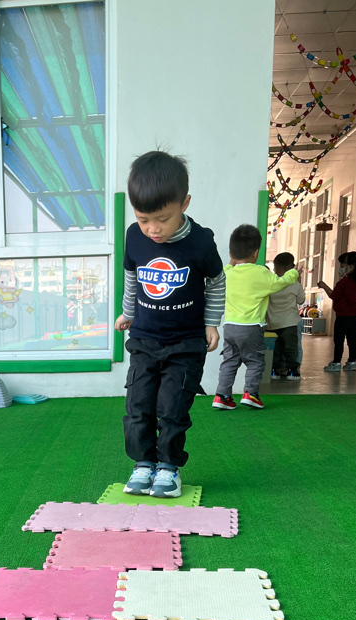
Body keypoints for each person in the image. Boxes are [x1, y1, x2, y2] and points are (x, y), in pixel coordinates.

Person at [115, 150, 226, 497]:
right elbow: (132, 277)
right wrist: (128, 312)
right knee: (138, 407)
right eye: (143, 219)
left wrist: (212, 323)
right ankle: (143, 464)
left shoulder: (200, 242)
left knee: (172, 409)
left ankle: (168, 468)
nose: (153, 229)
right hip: (144, 339)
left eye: (162, 219)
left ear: (184, 204)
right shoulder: (135, 236)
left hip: (186, 342)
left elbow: (217, 281)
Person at [212, 225, 299, 411]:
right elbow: (282, 282)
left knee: (229, 361)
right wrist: (293, 272)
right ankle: (251, 394)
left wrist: (230, 263)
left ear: (231, 253)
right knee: (256, 361)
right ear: (256, 252)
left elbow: (222, 273)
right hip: (251, 327)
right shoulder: (261, 273)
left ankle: (222, 396)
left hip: (230, 327)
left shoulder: (227, 274)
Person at [317, 252, 356, 372]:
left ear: (351, 266)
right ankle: (352, 362)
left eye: (343, 264)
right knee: (352, 341)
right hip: (354, 317)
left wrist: (324, 286)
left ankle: (336, 362)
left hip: (342, 317)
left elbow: (334, 296)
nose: (341, 268)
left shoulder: (343, 282)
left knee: (339, 341)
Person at [267, 252, 305, 380]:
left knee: (275, 350)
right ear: (290, 267)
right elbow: (301, 300)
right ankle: (292, 371)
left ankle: (274, 371)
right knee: (290, 349)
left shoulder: (271, 283)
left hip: (272, 323)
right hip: (289, 323)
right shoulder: (295, 284)